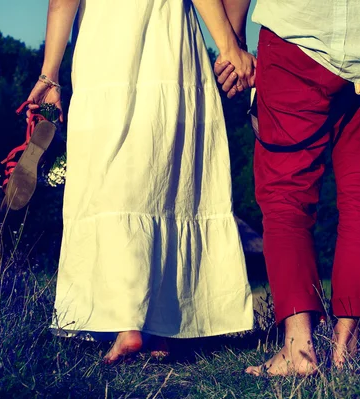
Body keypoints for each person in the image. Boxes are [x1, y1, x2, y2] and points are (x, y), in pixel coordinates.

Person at [215, 0, 360, 375]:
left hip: (298, 35)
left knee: (285, 193)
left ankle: (299, 349)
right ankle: (347, 343)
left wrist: (233, 45)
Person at [24, 0, 257, 363]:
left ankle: (129, 323)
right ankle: (161, 325)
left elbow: (61, 3)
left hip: (105, 47)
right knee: (165, 176)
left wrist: (48, 75)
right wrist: (229, 46)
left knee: (112, 177)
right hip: (170, 44)